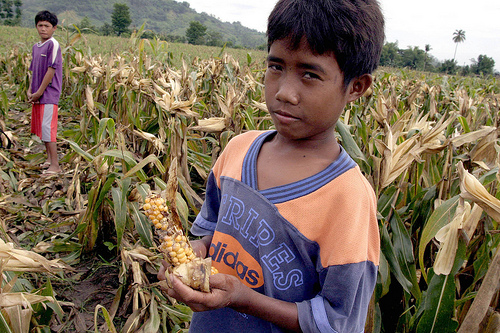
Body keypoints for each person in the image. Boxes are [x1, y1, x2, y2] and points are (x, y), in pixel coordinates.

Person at [158, 0, 384, 331]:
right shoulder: (237, 150)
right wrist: (191, 255)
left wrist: (242, 297)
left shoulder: (348, 200)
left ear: (355, 87)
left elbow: (338, 321)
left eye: (309, 74)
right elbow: (211, 235)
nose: (284, 92)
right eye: (276, 67)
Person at [28, 10, 63, 175]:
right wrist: (30, 90)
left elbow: (51, 70)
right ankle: (49, 160)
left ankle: (55, 165)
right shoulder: (36, 47)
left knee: (48, 128)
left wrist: (39, 92)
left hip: (48, 94)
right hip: (37, 94)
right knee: (42, 128)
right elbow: (33, 70)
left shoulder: (53, 44)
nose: (43, 29)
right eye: (40, 25)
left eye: (47, 26)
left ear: (54, 28)